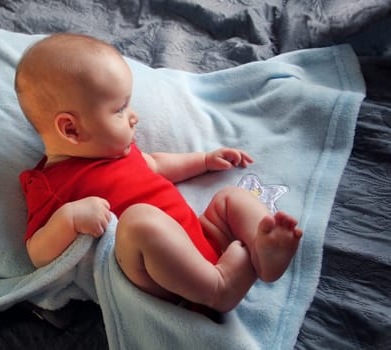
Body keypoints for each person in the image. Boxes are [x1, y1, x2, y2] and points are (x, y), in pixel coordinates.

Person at [15, 33, 303, 313]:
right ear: (71, 130)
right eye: (119, 109)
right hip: (158, 275)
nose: (133, 116)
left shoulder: (119, 150)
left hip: (202, 236)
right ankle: (218, 289)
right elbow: (36, 252)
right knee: (138, 221)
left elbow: (156, 165)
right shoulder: (48, 183)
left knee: (231, 198)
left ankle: (264, 253)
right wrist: (70, 218)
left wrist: (203, 160)